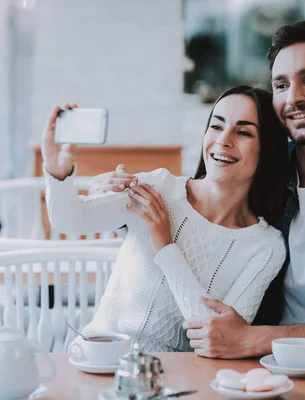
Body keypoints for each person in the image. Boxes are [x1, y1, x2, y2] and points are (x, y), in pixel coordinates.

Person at [93, 21, 305, 359]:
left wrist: (254, 339)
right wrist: (118, 195)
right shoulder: (260, 170)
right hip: (255, 371)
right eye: (281, 85)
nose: (295, 97)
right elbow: (201, 200)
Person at [42, 86, 288, 352]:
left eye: (243, 132)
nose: (223, 140)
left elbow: (215, 338)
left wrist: (166, 246)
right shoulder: (157, 187)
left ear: (268, 149)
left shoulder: (266, 247)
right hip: (98, 357)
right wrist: (57, 171)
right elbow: (70, 221)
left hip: (172, 380)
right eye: (216, 126)